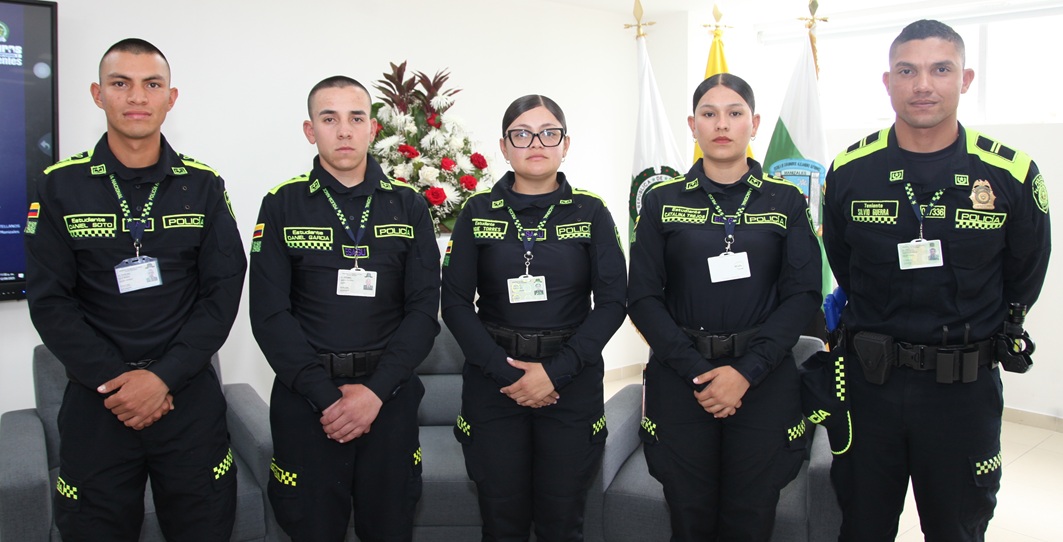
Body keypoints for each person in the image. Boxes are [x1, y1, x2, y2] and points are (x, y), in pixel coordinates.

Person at [822, 19, 1051, 541]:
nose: (923, 84)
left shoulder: (1010, 174)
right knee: (860, 526)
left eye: (940, 70)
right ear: (888, 82)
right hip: (869, 387)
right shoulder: (851, 170)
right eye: (907, 71)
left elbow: (1025, 274)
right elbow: (844, 264)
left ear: (965, 79)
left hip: (962, 392)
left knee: (958, 529)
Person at [24, 38, 246, 541]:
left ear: (171, 97)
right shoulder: (59, 185)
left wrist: (162, 377)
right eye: (121, 83)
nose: (137, 97)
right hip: (98, 402)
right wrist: (121, 383)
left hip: (187, 399)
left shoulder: (204, 185)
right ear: (97, 94)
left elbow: (223, 291)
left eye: (152, 84)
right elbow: (50, 301)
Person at [627, 73, 822, 541]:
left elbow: (802, 296)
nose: (721, 124)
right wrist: (698, 372)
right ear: (692, 124)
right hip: (681, 378)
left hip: (763, 377)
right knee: (688, 513)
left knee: (751, 515)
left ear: (754, 124)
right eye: (709, 114)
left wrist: (745, 372)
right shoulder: (661, 201)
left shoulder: (786, 200)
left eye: (735, 113)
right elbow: (643, 298)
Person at [249, 76, 440, 542]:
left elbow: (422, 312)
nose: (344, 130)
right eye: (329, 118)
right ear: (309, 130)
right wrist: (327, 398)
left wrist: (373, 394)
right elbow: (269, 315)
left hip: (389, 400)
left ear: (373, 128)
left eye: (356, 118)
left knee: (391, 528)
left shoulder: (409, 205)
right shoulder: (281, 204)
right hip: (307, 403)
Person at [441, 94, 627, 541]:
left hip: (570, 382)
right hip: (494, 383)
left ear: (566, 144)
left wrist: (554, 374)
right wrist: (509, 375)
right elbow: (455, 303)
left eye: (548, 133)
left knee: (562, 521)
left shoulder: (591, 211)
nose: (536, 143)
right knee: (501, 521)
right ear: (504, 147)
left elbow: (613, 302)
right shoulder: (477, 212)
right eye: (522, 134)